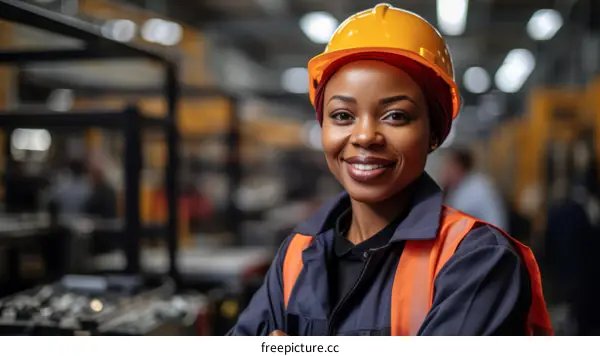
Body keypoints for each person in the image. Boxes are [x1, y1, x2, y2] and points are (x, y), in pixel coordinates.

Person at [228, 4, 552, 336]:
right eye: (342, 116)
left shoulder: (479, 260)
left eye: (396, 115)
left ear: (435, 133)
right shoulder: (297, 255)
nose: (365, 136)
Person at [441, 148, 510, 231]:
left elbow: (451, 221)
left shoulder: (475, 189)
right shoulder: (461, 186)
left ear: (458, 167)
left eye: (448, 166)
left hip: (488, 239)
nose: (444, 171)